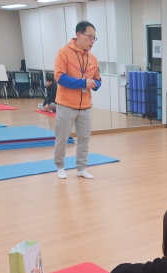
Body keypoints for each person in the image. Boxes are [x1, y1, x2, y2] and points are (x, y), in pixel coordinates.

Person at [54, 21, 102, 180]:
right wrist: (83, 83)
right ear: (79, 35)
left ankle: (81, 168)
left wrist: (94, 84)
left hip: (85, 106)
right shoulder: (63, 53)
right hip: (66, 105)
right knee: (62, 138)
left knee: (84, 139)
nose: (92, 41)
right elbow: (60, 78)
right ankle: (60, 166)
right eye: (90, 37)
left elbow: (98, 80)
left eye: (94, 38)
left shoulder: (92, 58)